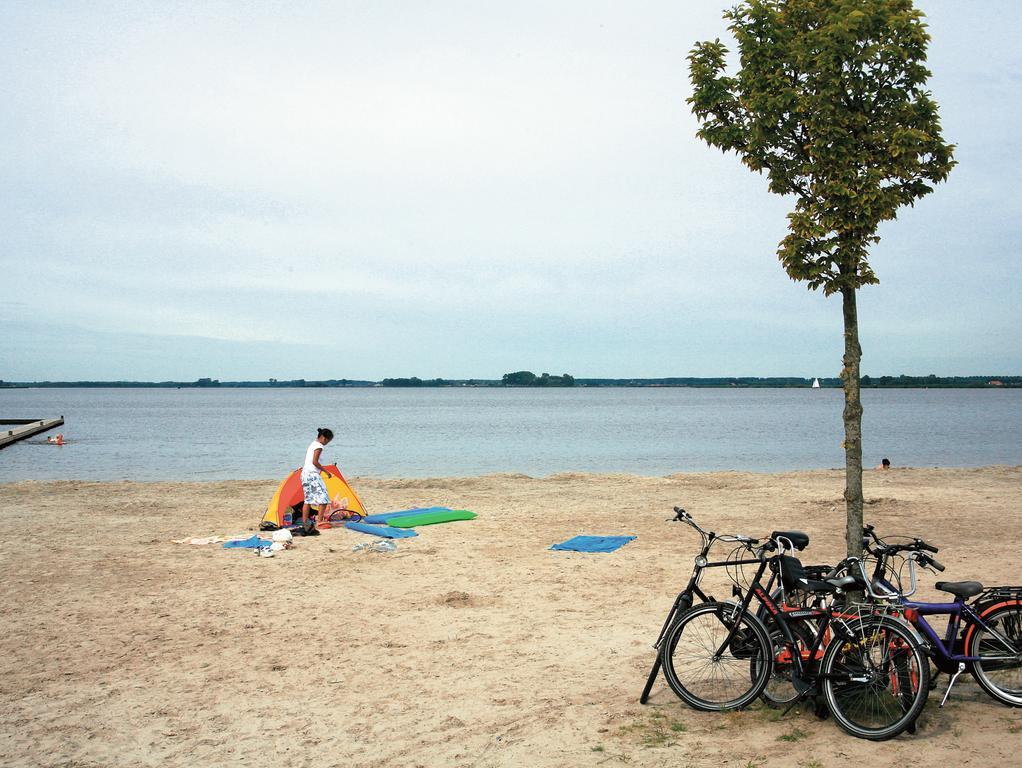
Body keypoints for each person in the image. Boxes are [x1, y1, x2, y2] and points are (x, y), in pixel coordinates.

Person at [300, 428, 334, 533]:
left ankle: (305, 522)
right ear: (323, 437)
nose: (327, 443)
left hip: (305, 474)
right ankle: (319, 522)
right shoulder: (319, 446)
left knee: (308, 500)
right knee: (323, 498)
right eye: (327, 441)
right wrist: (326, 471)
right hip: (312, 474)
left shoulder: (313, 444)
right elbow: (315, 462)